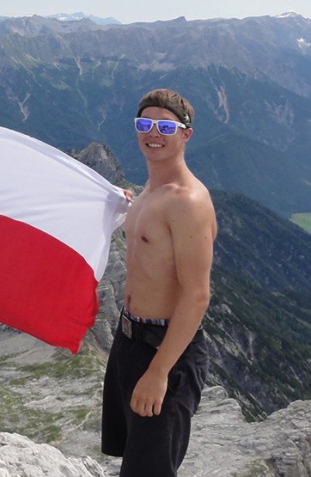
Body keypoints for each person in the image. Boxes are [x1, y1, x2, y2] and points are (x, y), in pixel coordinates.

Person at [101, 88, 217, 477]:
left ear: (186, 134)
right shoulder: (149, 191)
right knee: (134, 460)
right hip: (129, 340)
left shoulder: (188, 201)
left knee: (149, 470)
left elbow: (198, 296)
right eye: (145, 124)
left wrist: (159, 372)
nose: (154, 132)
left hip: (165, 351)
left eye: (166, 125)